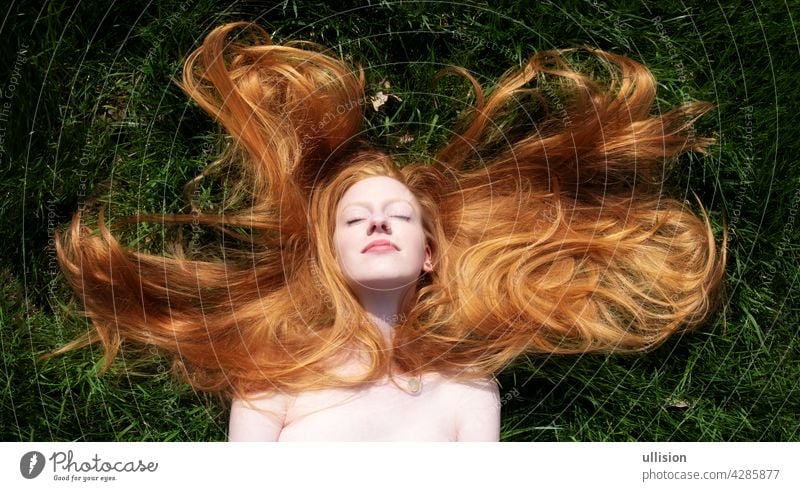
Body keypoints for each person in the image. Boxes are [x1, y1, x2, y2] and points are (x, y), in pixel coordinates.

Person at [54, 21, 727, 441]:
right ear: (332, 253)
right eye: (355, 218)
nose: (377, 219)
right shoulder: (272, 373)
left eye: (399, 215)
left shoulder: (467, 386)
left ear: (430, 254)